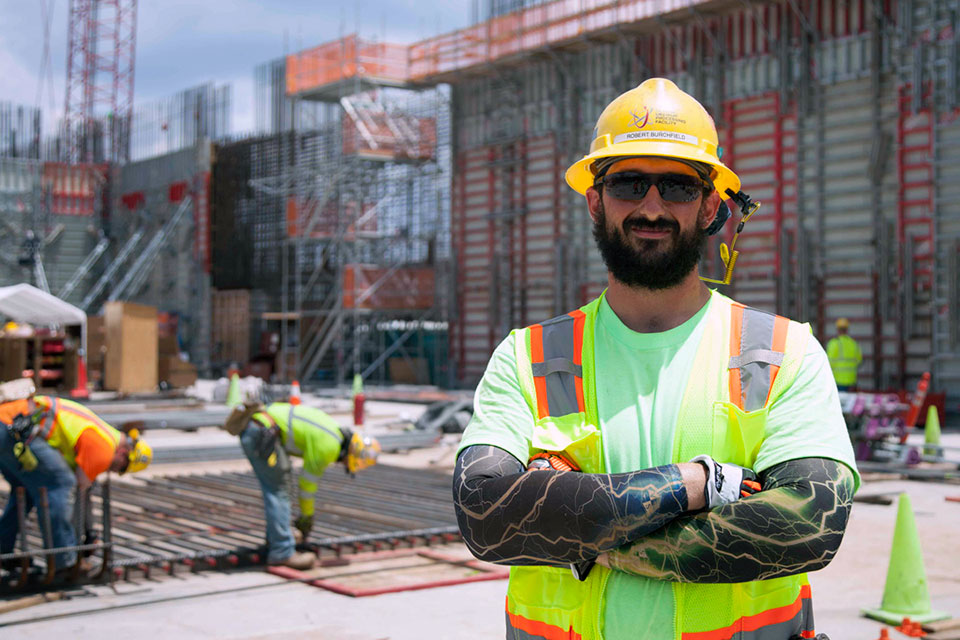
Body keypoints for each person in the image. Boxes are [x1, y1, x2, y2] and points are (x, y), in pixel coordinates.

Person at [452, 78, 859, 640]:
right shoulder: (528, 356)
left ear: (712, 206)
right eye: (628, 183)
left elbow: (810, 523)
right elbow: (483, 513)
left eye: (677, 187)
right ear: (595, 201)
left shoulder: (780, 352)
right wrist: (693, 484)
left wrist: (582, 532)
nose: (651, 206)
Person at [0, 378, 153, 572]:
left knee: (28, 491)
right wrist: (83, 537)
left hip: (7, 425)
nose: (113, 471)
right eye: (120, 468)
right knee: (61, 485)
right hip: (15, 428)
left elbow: (84, 492)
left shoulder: (101, 432)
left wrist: (88, 532)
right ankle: (64, 562)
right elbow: (77, 493)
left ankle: (3, 551)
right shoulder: (104, 450)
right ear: (124, 454)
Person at [223, 401, 381, 570]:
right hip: (262, 433)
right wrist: (306, 517)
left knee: (279, 487)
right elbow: (307, 486)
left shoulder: (333, 432)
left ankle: (276, 539)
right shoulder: (329, 448)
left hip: (259, 428)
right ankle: (282, 551)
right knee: (278, 490)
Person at [826, 317, 862, 391]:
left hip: (837, 381)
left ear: (837, 329)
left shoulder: (833, 343)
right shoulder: (853, 343)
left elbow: (828, 363)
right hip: (852, 381)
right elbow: (859, 361)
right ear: (847, 329)